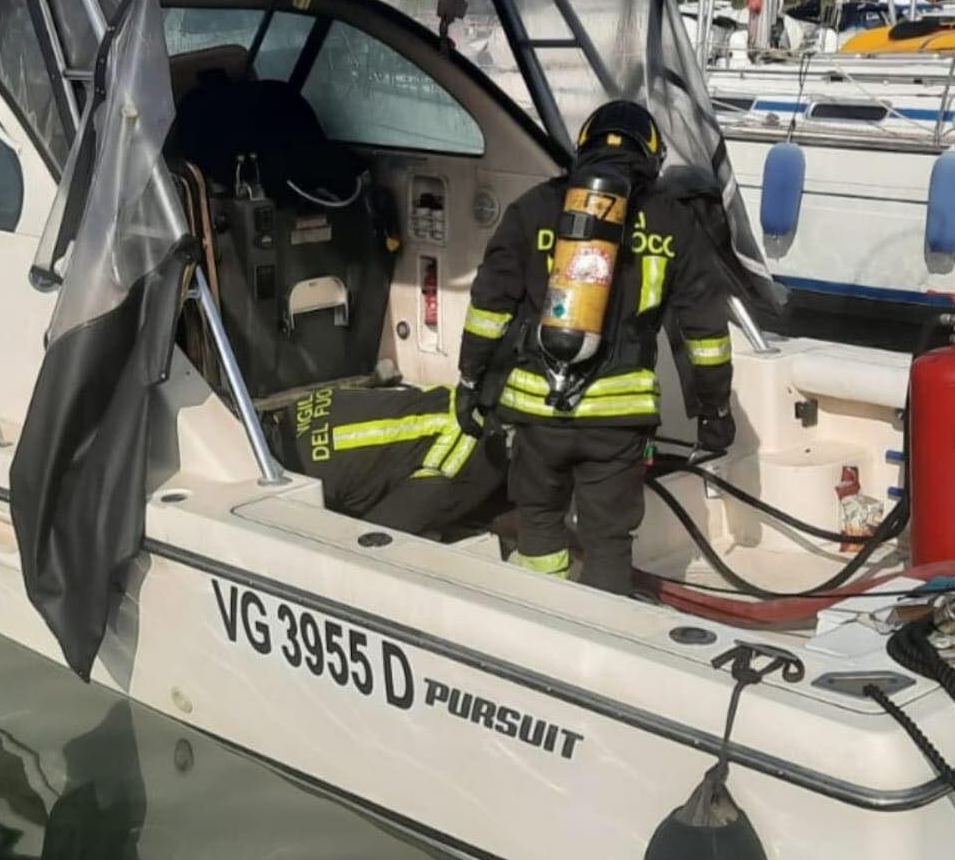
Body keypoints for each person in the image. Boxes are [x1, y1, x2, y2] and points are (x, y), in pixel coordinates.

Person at [454, 100, 736, 594]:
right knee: (608, 540)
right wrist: (713, 410)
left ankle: (541, 618)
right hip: (617, 420)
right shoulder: (674, 223)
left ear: (582, 148)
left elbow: (488, 309)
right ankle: (599, 641)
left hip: (537, 411)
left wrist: (471, 381)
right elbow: (704, 334)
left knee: (539, 520)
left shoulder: (535, 208)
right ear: (652, 157)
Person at [267, 381, 509, 537]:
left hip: (458, 451)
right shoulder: (298, 408)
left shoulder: (305, 478)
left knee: (367, 547)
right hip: (463, 408)